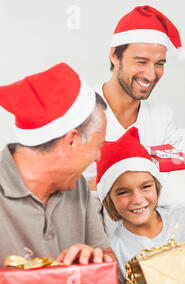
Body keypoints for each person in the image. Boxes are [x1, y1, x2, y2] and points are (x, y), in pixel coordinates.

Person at [0, 62, 114, 265]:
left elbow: (107, 258)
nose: (98, 157)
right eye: (98, 146)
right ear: (71, 140)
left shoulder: (77, 186)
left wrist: (94, 261)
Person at [96, 127, 185, 284]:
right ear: (109, 199)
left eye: (146, 187)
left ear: (156, 187)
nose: (137, 199)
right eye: (123, 192)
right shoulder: (115, 250)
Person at [83, 5, 185, 188]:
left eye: (159, 63)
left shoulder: (163, 117)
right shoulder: (79, 108)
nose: (151, 75)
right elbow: (57, 187)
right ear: (115, 55)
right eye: (141, 62)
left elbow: (174, 181)